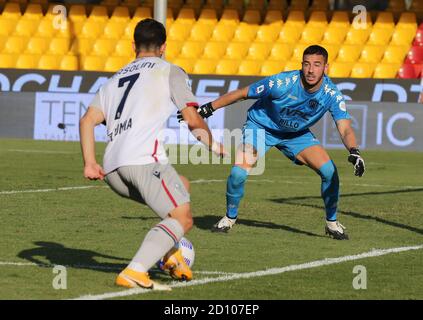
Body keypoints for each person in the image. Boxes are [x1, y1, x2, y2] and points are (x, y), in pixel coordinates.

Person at [79, 18, 225, 290]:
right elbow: (192, 118)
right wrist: (214, 145)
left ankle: (169, 254)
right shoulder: (169, 70)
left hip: (112, 170)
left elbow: (87, 120)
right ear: (164, 47)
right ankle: (134, 271)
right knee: (183, 219)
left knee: (181, 186)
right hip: (143, 161)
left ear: (133, 45)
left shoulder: (113, 80)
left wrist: (90, 163)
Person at [185, 45, 365, 240]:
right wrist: (208, 108)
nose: (311, 70)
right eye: (306, 64)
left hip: (296, 135)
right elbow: (242, 93)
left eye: (317, 65)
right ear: (301, 65)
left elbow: (345, 127)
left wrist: (354, 151)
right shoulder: (281, 82)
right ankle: (230, 217)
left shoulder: (331, 94)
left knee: (329, 172)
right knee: (238, 173)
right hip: (261, 128)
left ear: (326, 68)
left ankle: (332, 223)